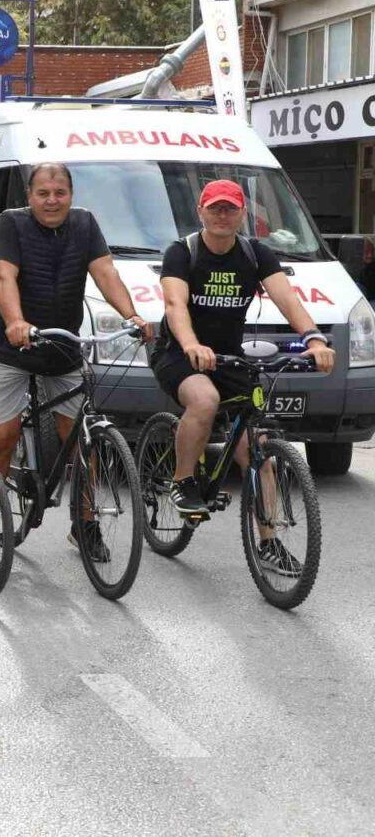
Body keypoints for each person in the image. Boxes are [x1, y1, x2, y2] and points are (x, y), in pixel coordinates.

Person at [152, 179, 334, 568]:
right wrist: (190, 345)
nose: (222, 214)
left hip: (230, 358)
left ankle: (268, 542)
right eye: (215, 208)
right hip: (179, 354)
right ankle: (183, 482)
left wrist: (315, 339)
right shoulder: (182, 252)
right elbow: (174, 304)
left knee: (259, 454)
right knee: (204, 399)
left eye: (230, 208)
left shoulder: (255, 254)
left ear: (242, 214)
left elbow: (287, 298)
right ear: (200, 211)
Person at [0, 163, 151, 563]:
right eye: (43, 193)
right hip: (14, 347)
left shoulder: (85, 224)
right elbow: (4, 278)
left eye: (60, 193)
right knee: (1, 437)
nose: (52, 200)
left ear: (71, 195)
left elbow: (105, 272)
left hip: (62, 346)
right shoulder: (11, 224)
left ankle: (84, 524)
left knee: (81, 440)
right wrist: (16, 321)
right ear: (30, 196)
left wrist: (133, 315)